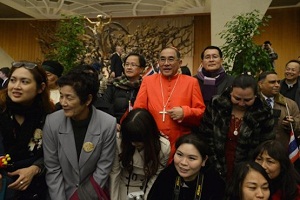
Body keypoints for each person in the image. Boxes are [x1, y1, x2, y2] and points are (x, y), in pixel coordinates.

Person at [43, 67, 117, 199]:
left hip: (92, 194)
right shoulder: (52, 122)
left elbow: (103, 167)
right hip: (61, 192)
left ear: (88, 100)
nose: (63, 102)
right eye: (61, 96)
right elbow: (52, 168)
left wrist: (82, 197)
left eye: (69, 98)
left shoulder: (107, 124)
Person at [133, 46, 206, 162]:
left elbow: (201, 112)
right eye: (162, 59)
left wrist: (185, 112)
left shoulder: (191, 82)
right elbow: (138, 109)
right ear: (158, 63)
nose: (166, 63)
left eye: (171, 59)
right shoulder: (148, 81)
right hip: (153, 141)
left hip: (180, 142)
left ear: (180, 62)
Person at [198, 74, 275, 180]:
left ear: (255, 96)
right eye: (237, 98)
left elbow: (266, 144)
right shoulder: (217, 104)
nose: (241, 103)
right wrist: (213, 162)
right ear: (231, 92)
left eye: (247, 100)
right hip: (214, 164)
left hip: (249, 169)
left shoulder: (263, 111)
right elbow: (205, 135)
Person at [0, 61, 54, 199]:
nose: (16, 87)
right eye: (13, 80)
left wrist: (35, 168)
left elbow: (55, 154)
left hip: (35, 189)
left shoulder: (50, 117)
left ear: (41, 88)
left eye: (25, 82)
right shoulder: (1, 110)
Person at [109, 108, 170, 200]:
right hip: (122, 185)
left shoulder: (163, 147)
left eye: (138, 140)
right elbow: (115, 173)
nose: (133, 144)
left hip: (144, 189)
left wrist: (146, 197)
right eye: (130, 140)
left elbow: (155, 177)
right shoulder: (119, 140)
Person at [148, 133, 225, 200]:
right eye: (179, 154)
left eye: (191, 158)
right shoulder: (166, 177)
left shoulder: (214, 184)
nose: (183, 163)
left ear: (204, 160)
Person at [258, 71, 300, 148]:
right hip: (257, 149)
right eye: (272, 82)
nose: (277, 85)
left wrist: (293, 123)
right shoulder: (252, 101)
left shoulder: (289, 104)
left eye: (278, 82)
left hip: (281, 150)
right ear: (261, 84)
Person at [102, 53, 146, 125]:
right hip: (114, 126)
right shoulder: (113, 84)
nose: (129, 67)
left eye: (133, 65)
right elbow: (105, 107)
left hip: (137, 128)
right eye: (127, 64)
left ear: (141, 69)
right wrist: (113, 124)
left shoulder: (145, 87)